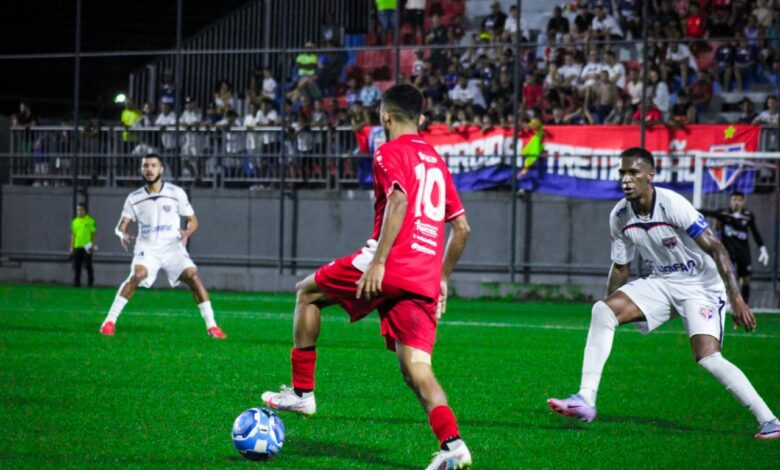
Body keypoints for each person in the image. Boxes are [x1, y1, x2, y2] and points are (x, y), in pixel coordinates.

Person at [260, 84, 474, 469]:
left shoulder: (388, 151)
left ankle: (302, 392)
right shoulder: (438, 162)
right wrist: (442, 278)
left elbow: (398, 199)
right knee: (416, 368)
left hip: (389, 262)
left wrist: (378, 263)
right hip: (424, 275)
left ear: (385, 116)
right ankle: (453, 446)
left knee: (305, 294)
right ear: (421, 119)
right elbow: (462, 229)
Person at [546, 147, 780, 440]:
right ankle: (586, 399)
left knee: (708, 357)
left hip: (701, 286)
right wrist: (613, 309)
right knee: (602, 310)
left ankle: (770, 420)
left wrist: (736, 299)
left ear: (650, 176)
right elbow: (620, 267)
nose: (626, 179)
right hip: (663, 282)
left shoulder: (672, 204)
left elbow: (717, 247)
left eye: (633, 173)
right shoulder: (619, 215)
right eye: (622, 173)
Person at [99, 153, 227, 339]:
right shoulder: (134, 197)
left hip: (172, 248)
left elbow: (193, 220)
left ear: (161, 169)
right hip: (148, 248)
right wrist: (122, 234)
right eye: (146, 166)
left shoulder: (176, 193)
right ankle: (109, 322)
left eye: (153, 165)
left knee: (193, 275)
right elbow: (120, 226)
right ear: (142, 170)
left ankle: (212, 327)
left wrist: (187, 233)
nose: (149, 169)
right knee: (137, 275)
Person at [700, 192, 770, 304]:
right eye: (734, 199)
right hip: (728, 252)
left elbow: (755, 232)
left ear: (743, 201)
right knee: (726, 277)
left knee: (745, 279)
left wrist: (762, 248)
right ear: (730, 201)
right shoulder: (723, 213)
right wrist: (690, 209)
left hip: (743, 252)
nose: (736, 202)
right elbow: (707, 213)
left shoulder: (748, 215)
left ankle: (745, 305)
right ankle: (726, 302)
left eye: (739, 200)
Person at [70, 202, 96, 288]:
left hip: (87, 246)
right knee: (77, 265)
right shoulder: (74, 222)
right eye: (78, 210)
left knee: (88, 265)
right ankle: (76, 283)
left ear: (85, 210)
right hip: (77, 246)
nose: (79, 211)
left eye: (81, 209)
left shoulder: (90, 220)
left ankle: (90, 283)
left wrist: (93, 244)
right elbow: (73, 235)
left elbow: (93, 234)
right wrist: (71, 247)